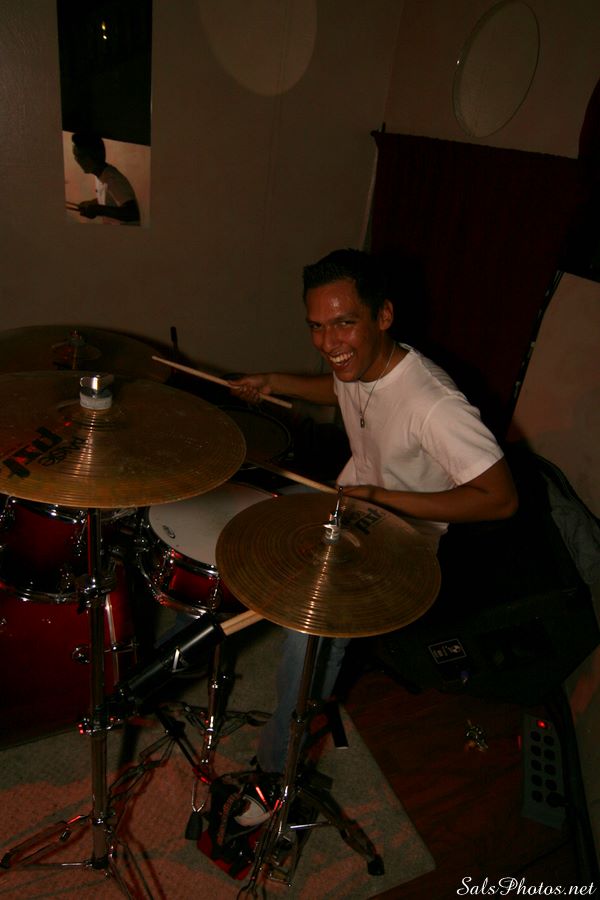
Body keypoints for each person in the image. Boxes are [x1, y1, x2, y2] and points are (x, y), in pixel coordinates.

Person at [230, 248, 519, 773]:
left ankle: (275, 771)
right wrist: (275, 381)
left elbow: (500, 498)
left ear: (384, 315)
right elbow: (340, 387)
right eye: (316, 326)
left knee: (306, 643)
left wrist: (383, 498)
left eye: (344, 323)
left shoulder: (434, 405)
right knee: (241, 524)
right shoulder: (361, 362)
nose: (328, 343)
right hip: (347, 502)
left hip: (399, 539)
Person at [71, 132, 140, 225]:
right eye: (75, 156)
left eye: (80, 156)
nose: (77, 160)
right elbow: (111, 199)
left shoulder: (112, 178)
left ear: (95, 155)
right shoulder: (99, 175)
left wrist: (98, 210)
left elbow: (132, 213)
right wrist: (92, 203)